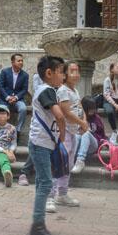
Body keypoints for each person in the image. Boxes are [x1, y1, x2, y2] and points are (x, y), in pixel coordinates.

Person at [28, 55, 66, 235]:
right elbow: (59, 115)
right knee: (45, 183)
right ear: (49, 73)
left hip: (43, 143)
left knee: (42, 183)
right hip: (40, 143)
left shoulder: (49, 90)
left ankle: (38, 222)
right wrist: (63, 133)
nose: (64, 75)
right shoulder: (46, 90)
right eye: (61, 72)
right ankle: (37, 227)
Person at [48, 62, 87, 212]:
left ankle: (62, 194)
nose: (76, 74)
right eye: (72, 71)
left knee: (68, 165)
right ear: (64, 75)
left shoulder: (74, 90)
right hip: (63, 134)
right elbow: (65, 112)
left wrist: (85, 121)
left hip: (73, 133)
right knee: (59, 164)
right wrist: (82, 123)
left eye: (77, 71)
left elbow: (79, 107)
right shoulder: (63, 90)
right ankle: (50, 196)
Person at [71, 96, 108, 173]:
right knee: (77, 136)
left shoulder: (97, 118)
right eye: (90, 108)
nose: (93, 110)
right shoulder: (78, 117)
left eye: (94, 108)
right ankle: (71, 159)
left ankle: (80, 161)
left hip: (92, 146)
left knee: (86, 134)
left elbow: (102, 135)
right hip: (79, 145)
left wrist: (91, 133)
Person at [0, 54, 29, 138]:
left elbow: (24, 89)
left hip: (18, 99)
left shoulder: (25, 75)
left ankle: (18, 130)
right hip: (4, 99)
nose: (21, 62)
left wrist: (16, 97)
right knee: (1, 110)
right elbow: (0, 86)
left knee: (23, 109)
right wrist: (7, 97)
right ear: (12, 62)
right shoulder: (4, 72)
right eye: (19, 61)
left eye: (22, 61)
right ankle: (2, 130)